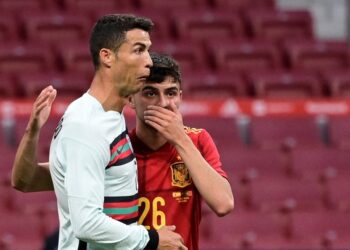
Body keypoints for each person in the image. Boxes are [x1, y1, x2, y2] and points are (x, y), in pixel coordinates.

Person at [12, 53, 234, 250]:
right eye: (150, 93)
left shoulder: (197, 140)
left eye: (171, 93)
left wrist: (179, 140)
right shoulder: (113, 148)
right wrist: (32, 131)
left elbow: (223, 204)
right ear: (131, 100)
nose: (163, 103)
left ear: (180, 97)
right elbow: (27, 180)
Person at [11, 14, 187, 250]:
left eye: (147, 51)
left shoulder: (107, 117)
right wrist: (152, 239)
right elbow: (86, 223)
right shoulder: (86, 126)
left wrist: (32, 133)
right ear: (107, 57)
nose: (148, 61)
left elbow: (28, 180)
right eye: (138, 50)